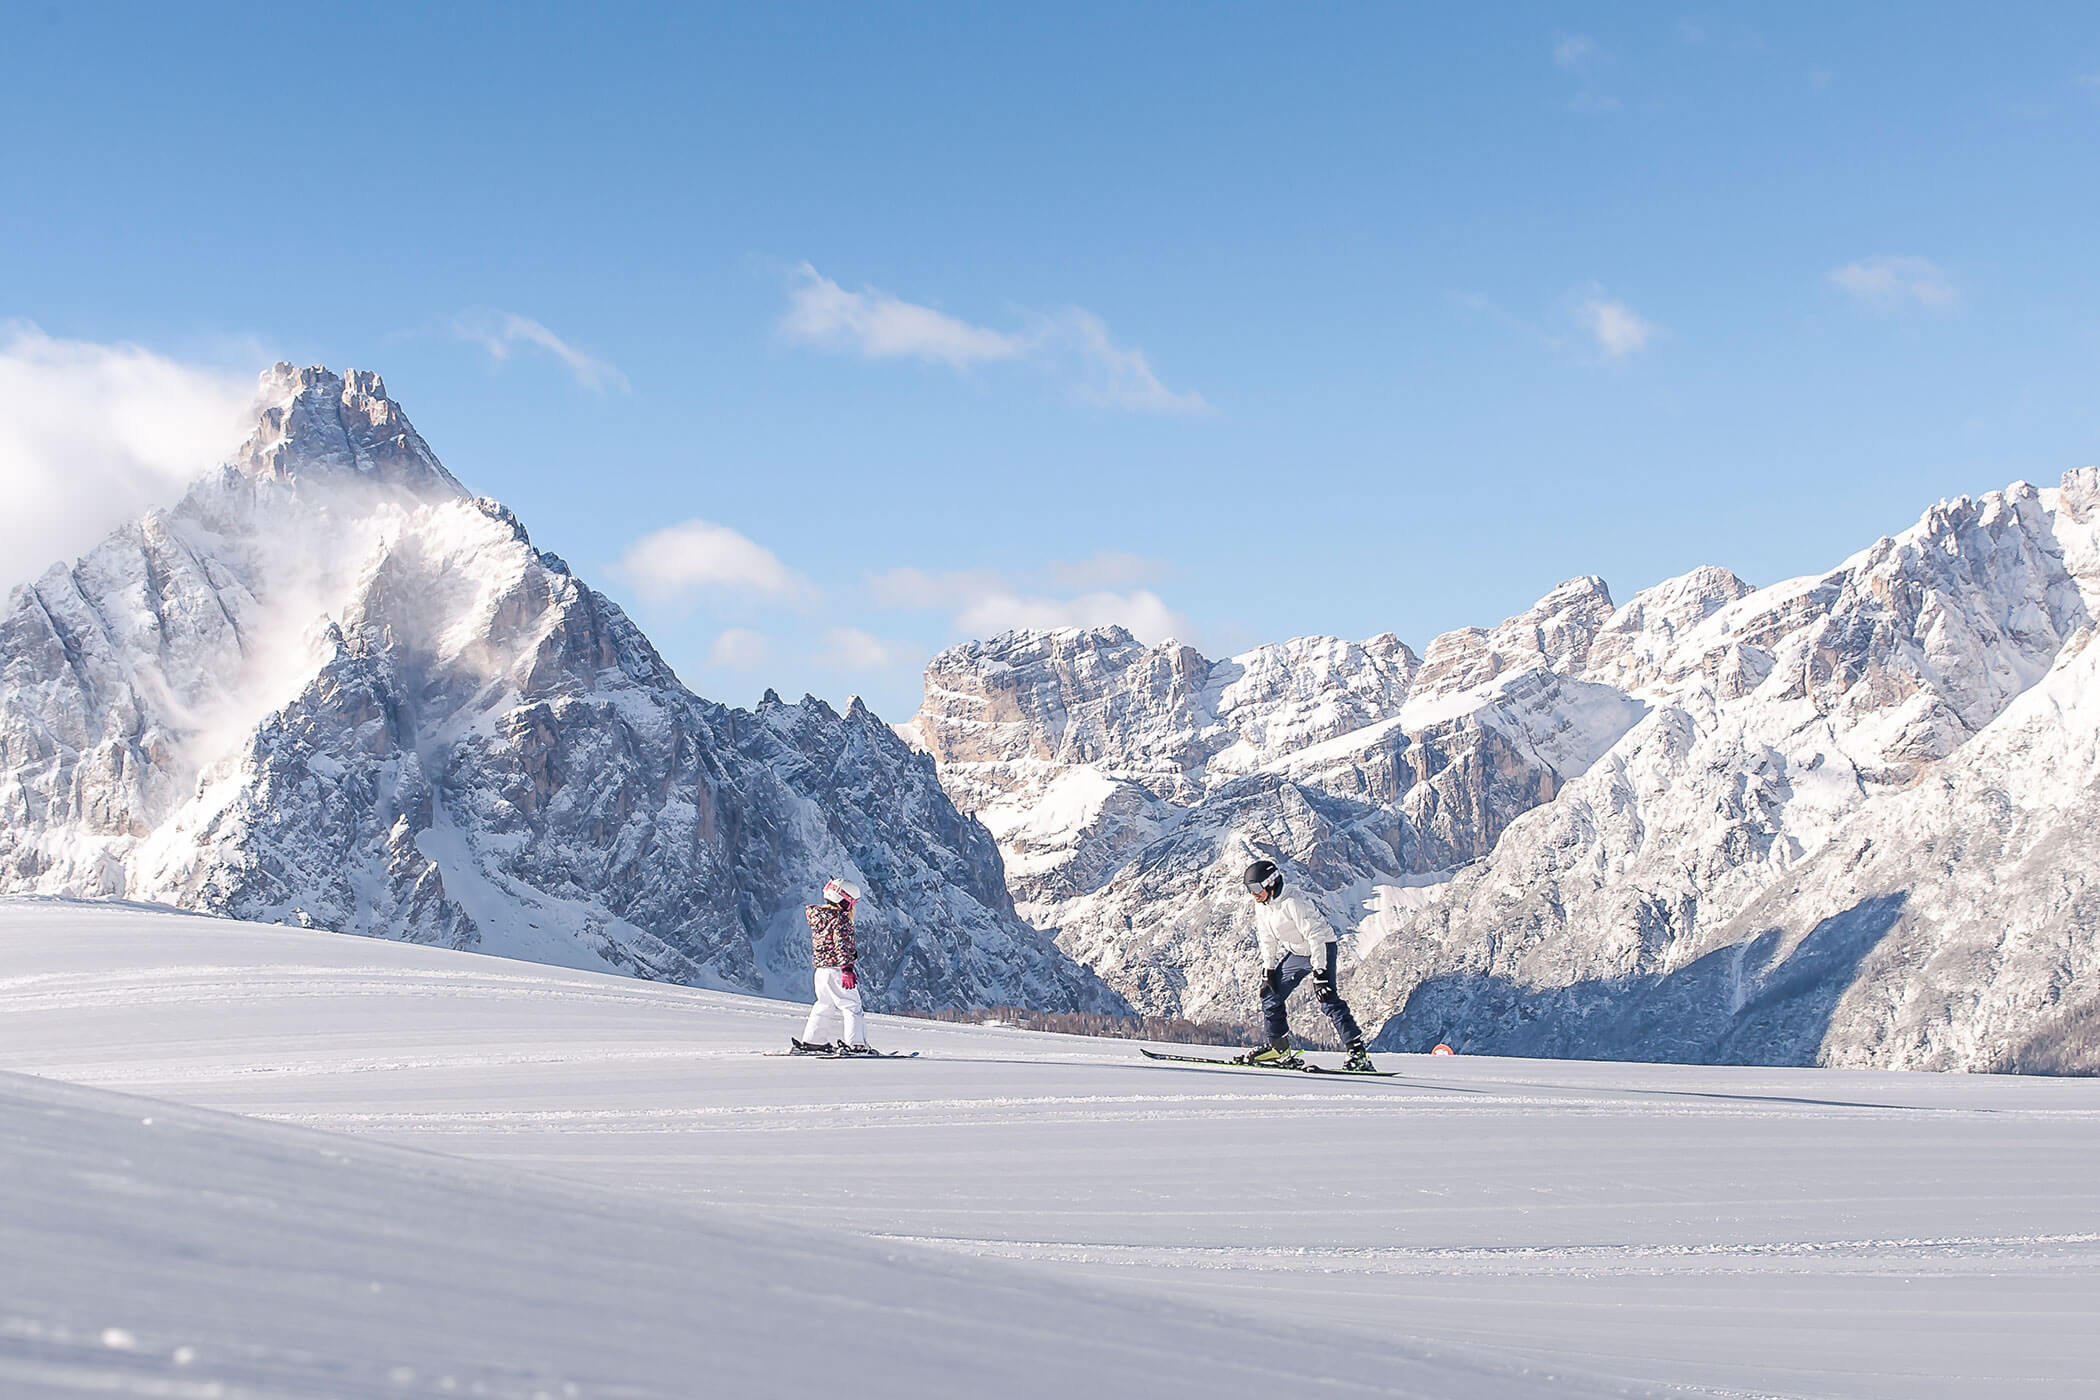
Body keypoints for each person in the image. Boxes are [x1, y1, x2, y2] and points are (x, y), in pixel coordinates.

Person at [1240, 859, 1376, 1072]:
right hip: (1297, 953)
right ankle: (1279, 1050)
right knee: (1270, 995)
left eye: (1256, 888)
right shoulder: (1263, 907)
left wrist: (1320, 973)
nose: (1253, 894)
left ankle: (1358, 1054)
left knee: (1327, 999)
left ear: (1270, 882)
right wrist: (1269, 970)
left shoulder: (1293, 901)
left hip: (1321, 947)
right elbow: (1267, 938)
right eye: (1249, 889)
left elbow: (1316, 937)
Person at [793, 877, 877, 1056]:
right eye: (852, 902)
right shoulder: (841, 920)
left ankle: (813, 1041)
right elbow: (842, 944)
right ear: (844, 900)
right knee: (852, 1006)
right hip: (838, 969)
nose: (853, 906)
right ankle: (856, 1045)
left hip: (821, 971)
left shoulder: (819, 918)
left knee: (824, 1005)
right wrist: (847, 968)